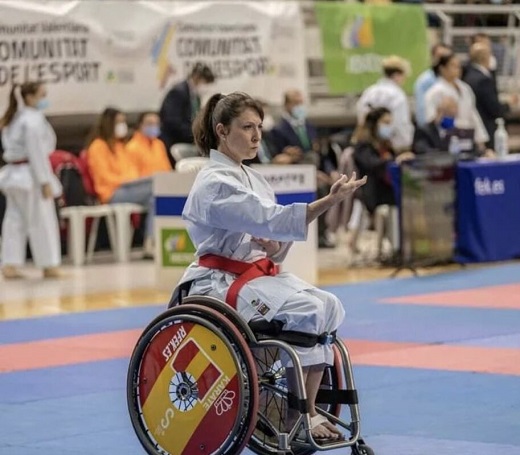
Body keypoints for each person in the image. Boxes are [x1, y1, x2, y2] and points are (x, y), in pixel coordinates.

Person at [174, 91, 366, 441]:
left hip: (253, 275)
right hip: (219, 283)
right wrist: (328, 201)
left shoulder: (254, 178)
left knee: (328, 306)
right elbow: (269, 218)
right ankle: (301, 414)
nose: (256, 135)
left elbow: (273, 243)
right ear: (221, 130)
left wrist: (274, 247)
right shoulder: (215, 182)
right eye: (247, 127)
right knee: (307, 310)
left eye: (259, 126)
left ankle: (300, 410)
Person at [0, 82, 62, 279]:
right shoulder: (32, 120)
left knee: (14, 221)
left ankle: (9, 264)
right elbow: (37, 154)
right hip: (31, 176)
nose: (45, 99)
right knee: (41, 221)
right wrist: (45, 181)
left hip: (14, 176)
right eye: (42, 94)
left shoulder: (13, 118)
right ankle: (49, 265)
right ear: (29, 97)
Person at [271, 89, 338, 248]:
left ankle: (323, 233)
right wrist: (309, 174)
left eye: (302, 102)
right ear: (287, 105)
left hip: (314, 170)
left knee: (332, 188)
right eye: (296, 103)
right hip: (294, 175)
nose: (300, 106)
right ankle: (315, 235)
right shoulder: (277, 130)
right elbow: (277, 158)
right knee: (320, 191)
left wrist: (329, 171)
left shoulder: (308, 126)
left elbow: (318, 154)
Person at [86, 107, 155, 256]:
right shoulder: (98, 146)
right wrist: (127, 181)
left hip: (127, 188)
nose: (123, 125)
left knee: (156, 198)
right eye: (119, 122)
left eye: (124, 121)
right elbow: (104, 177)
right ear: (108, 123)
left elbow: (131, 171)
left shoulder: (119, 146)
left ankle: (151, 242)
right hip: (110, 193)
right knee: (157, 187)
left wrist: (133, 180)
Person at [425, 53, 490, 153]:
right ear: (442, 68)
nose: (457, 69)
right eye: (453, 66)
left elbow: (473, 114)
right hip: (447, 139)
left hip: (468, 137)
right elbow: (430, 120)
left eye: (458, 66)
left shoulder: (465, 88)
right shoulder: (435, 92)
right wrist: (442, 112)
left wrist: (481, 141)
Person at [159, 62, 215, 167]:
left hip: (186, 137)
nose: (205, 86)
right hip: (173, 140)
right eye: (205, 82)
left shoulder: (195, 96)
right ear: (197, 77)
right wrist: (195, 134)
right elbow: (172, 121)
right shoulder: (178, 92)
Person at [462, 42, 517, 149]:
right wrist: (508, 104)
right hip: (488, 129)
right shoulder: (483, 80)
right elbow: (494, 108)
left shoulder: (469, 76)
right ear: (484, 57)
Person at [356, 55, 414, 152]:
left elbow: (362, 120)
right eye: (404, 76)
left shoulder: (369, 92)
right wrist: (405, 147)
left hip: (369, 146)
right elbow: (401, 124)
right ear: (397, 75)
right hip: (392, 147)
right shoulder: (398, 96)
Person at [414, 43, 452, 127]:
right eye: (440, 56)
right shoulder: (425, 81)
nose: (443, 61)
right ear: (433, 58)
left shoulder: (455, 81)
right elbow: (422, 111)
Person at [126, 111, 172, 177]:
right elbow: (132, 176)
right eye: (150, 123)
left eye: (157, 124)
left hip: (162, 183)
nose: (154, 126)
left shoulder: (159, 144)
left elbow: (167, 169)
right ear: (140, 125)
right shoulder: (131, 148)